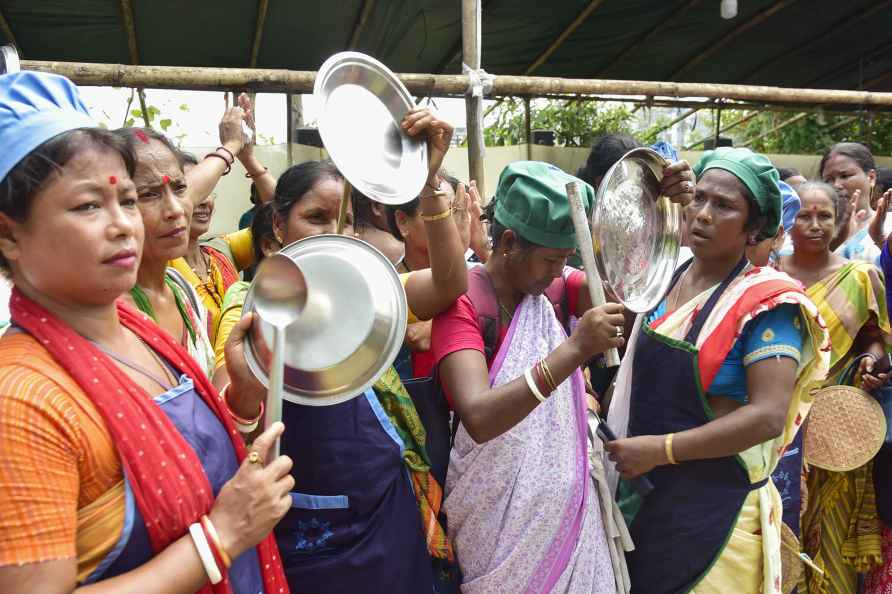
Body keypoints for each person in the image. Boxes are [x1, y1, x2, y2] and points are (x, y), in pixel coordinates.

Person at [0, 70, 292, 594]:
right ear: (8, 235)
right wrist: (220, 539)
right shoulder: (21, 400)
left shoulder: (138, 330)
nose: (124, 226)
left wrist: (244, 394)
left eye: (127, 201)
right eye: (89, 205)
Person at [224, 108, 467, 593]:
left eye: (348, 221)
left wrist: (428, 181)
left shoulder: (369, 294)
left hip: (388, 515)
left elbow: (449, 282)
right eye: (316, 218)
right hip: (318, 536)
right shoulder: (249, 307)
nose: (337, 232)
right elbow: (232, 410)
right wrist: (249, 383)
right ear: (276, 230)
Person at [430, 158, 696, 593]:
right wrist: (574, 350)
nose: (559, 271)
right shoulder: (463, 305)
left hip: (570, 523)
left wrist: (658, 216)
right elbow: (479, 417)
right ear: (509, 242)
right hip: (497, 531)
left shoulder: (553, 290)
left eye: (566, 259)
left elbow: (626, 307)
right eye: (551, 259)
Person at [605, 147, 830, 594]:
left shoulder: (769, 306)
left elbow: (767, 416)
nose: (703, 215)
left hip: (715, 517)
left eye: (724, 206)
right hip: (650, 505)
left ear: (754, 229)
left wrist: (661, 449)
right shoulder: (667, 278)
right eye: (700, 199)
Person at [785, 181, 891, 593]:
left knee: (834, 542)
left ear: (840, 219)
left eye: (824, 216)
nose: (814, 225)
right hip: (780, 427)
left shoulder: (860, 276)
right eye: (804, 216)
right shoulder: (767, 275)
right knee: (781, 536)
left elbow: (872, 335)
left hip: (841, 428)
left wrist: (870, 359)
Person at [170, 95, 277, 342]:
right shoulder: (157, 263)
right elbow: (179, 204)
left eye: (209, 192)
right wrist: (229, 146)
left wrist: (247, 157)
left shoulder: (220, 250)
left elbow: (282, 214)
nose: (204, 201)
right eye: (195, 190)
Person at [113, 127, 217, 378]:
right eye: (148, 194)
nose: (175, 210)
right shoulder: (110, 316)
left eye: (180, 188)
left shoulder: (184, 293)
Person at [822, 142, 880, 263]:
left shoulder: (888, 226)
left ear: (871, 178)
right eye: (828, 180)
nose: (836, 185)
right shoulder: (812, 230)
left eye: (844, 176)